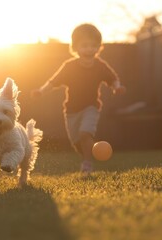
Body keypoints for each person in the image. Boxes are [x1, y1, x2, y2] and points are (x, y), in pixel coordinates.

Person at [31, 23, 126, 173]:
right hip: (71, 110)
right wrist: (41, 91)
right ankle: (87, 155)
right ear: (75, 47)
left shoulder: (100, 66)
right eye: (85, 45)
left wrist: (117, 87)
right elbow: (54, 81)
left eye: (93, 45)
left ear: (99, 47)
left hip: (91, 107)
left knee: (85, 133)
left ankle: (87, 164)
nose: (89, 49)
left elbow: (112, 78)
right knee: (77, 142)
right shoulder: (69, 66)